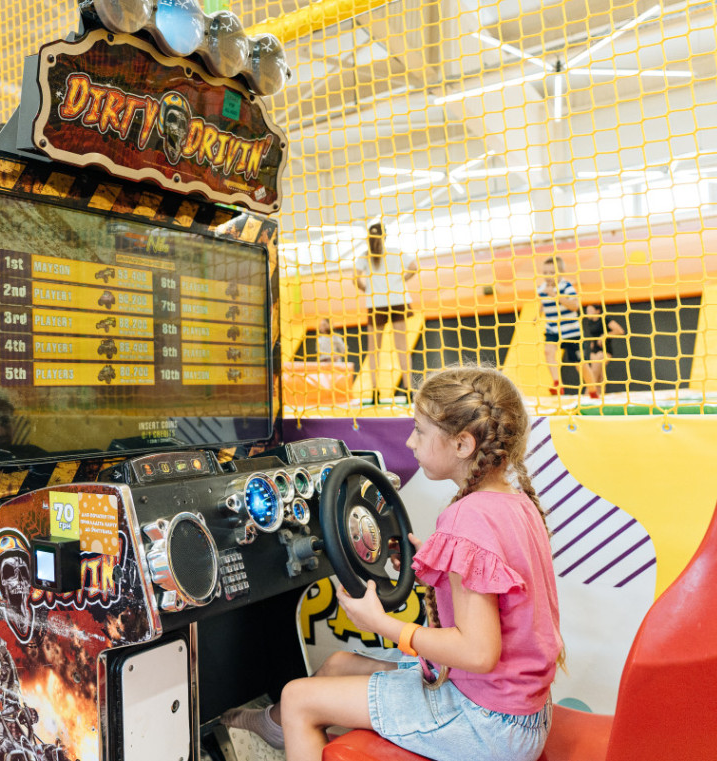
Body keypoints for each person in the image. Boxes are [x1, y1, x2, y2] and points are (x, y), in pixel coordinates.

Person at [222, 366, 562, 761]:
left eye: (420, 431)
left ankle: (283, 723)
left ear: (463, 444)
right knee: (337, 664)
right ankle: (273, 728)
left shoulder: (467, 517)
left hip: (487, 723)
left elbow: (477, 653)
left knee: (297, 697)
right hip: (520, 715)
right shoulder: (515, 502)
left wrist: (382, 624)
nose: (410, 441)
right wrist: (435, 567)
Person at [355, 217, 418, 402]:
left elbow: (355, 278)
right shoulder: (395, 252)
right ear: (385, 236)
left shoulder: (364, 256)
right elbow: (414, 267)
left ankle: (375, 393)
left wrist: (366, 288)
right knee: (402, 347)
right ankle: (408, 391)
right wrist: (402, 280)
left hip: (376, 303)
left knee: (374, 350)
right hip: (397, 300)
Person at [537, 256, 582, 395]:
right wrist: (538, 313)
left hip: (570, 330)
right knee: (548, 351)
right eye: (545, 273)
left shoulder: (566, 287)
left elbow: (574, 306)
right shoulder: (542, 288)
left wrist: (555, 295)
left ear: (561, 273)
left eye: (552, 273)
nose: (548, 276)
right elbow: (543, 302)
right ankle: (557, 384)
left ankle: (593, 389)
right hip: (552, 328)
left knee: (579, 364)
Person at [580, 303, 625, 401]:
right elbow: (594, 334)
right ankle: (600, 396)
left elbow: (620, 331)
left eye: (590, 310)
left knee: (594, 372)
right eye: (587, 311)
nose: (588, 313)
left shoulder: (605, 319)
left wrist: (604, 335)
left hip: (604, 350)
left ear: (597, 311)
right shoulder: (590, 322)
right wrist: (593, 342)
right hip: (594, 350)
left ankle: (588, 394)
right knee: (600, 375)